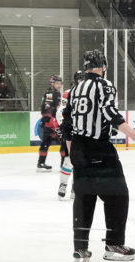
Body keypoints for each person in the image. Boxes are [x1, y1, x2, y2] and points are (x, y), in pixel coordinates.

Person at [61, 49, 135, 262]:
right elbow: (110, 113)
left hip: (79, 149)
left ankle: (80, 249)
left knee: (84, 197)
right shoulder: (104, 85)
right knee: (119, 194)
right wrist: (133, 134)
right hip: (99, 147)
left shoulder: (75, 89)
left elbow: (67, 125)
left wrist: (73, 154)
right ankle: (114, 243)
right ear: (103, 66)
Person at [56, 70, 84, 200]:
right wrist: (63, 125)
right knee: (68, 159)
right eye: (79, 78)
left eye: (82, 78)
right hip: (70, 130)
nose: (81, 81)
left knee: (80, 161)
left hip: (83, 131)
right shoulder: (68, 93)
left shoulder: (88, 93)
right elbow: (60, 111)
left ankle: (75, 186)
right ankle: (63, 185)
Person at [37, 75, 62, 171]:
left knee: (46, 143)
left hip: (53, 122)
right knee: (63, 142)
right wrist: (51, 121)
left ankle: (41, 163)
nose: (59, 85)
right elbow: (46, 108)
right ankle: (64, 164)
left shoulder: (56, 92)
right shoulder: (51, 93)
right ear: (52, 83)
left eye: (60, 83)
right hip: (51, 123)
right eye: (57, 83)